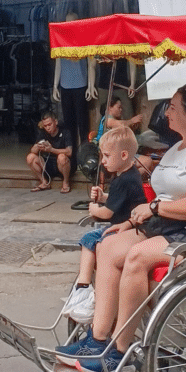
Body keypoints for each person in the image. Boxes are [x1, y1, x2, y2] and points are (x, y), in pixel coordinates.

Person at [56, 85, 186, 372]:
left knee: (137, 257)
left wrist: (153, 209)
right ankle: (97, 339)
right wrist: (129, 220)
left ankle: (119, 352)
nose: (166, 112)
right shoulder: (178, 147)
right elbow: (156, 191)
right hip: (172, 227)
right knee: (107, 244)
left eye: (173, 108)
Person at [62, 126, 147, 324]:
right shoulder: (129, 175)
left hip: (126, 229)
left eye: (107, 156)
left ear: (124, 155)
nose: (103, 161)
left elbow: (107, 212)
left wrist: (93, 209)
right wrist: (103, 196)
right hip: (124, 225)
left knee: (89, 239)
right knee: (93, 239)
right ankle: (84, 287)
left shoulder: (122, 180)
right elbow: (118, 200)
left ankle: (83, 288)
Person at [26, 111, 73, 193]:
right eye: (45, 126)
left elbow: (69, 152)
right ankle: (44, 182)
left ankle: (66, 182)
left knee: (62, 157)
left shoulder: (65, 132)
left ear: (56, 122)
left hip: (62, 164)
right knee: (30, 157)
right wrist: (38, 147)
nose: (48, 128)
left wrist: (52, 150)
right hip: (47, 163)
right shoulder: (43, 133)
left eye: (49, 125)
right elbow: (33, 150)